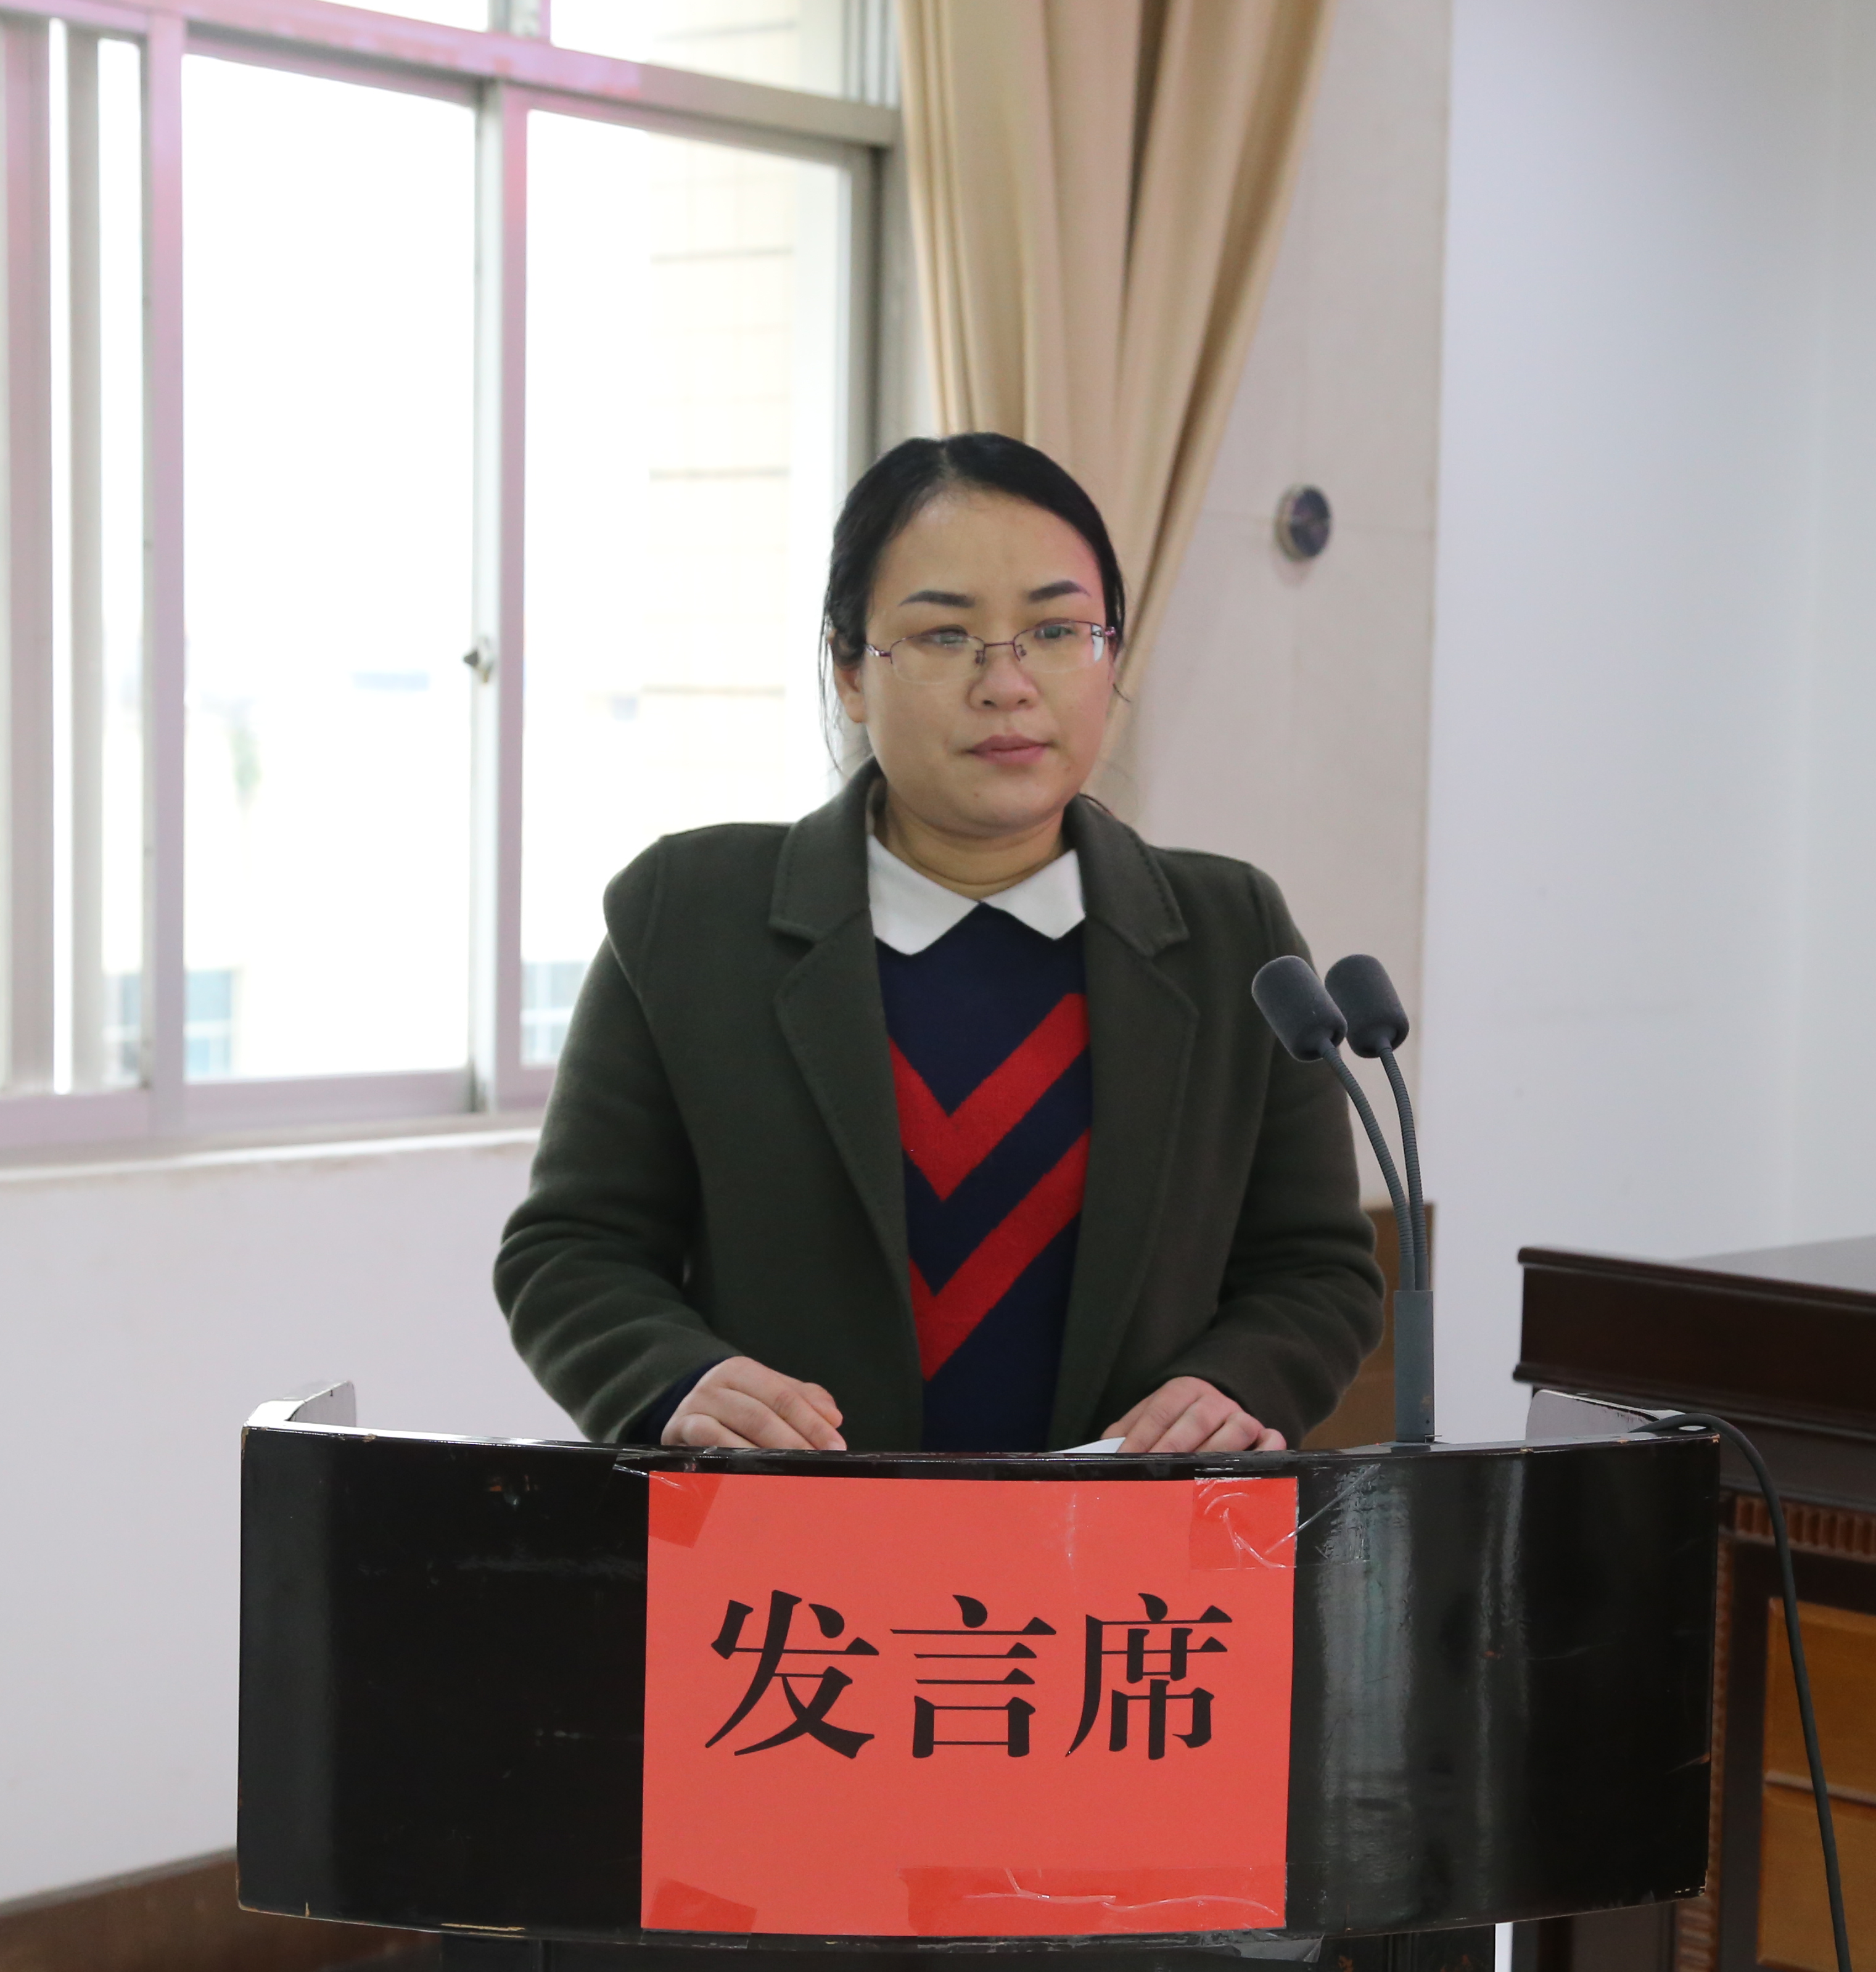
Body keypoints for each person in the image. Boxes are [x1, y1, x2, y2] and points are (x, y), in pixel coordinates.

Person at [496, 432, 1383, 1456]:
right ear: (849, 672)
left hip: (1121, 1541)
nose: (1006, 683)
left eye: (1057, 630)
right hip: (786, 1537)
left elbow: (1316, 1271)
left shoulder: (1231, 936)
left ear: (1112, 657)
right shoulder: (689, 917)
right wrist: (676, 1380)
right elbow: (572, 1251)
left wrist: (1232, 1388)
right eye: (944, 635)